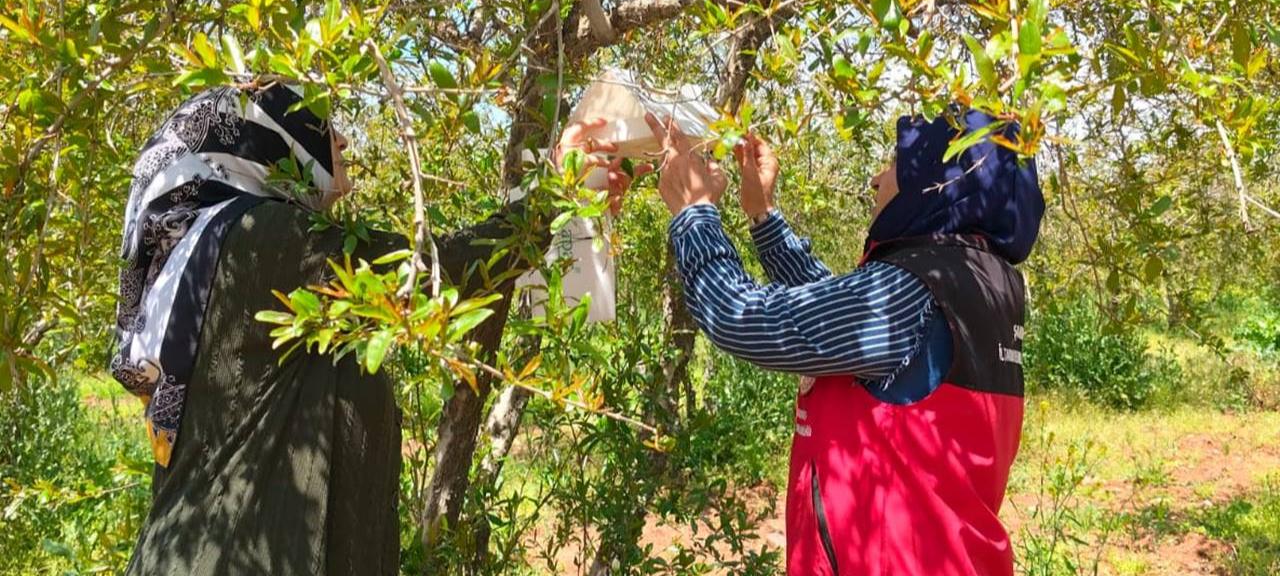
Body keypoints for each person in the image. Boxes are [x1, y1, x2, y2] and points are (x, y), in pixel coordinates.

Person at [112, 80, 639, 575]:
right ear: (270, 140)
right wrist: (555, 187)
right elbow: (439, 274)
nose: (340, 139)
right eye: (319, 126)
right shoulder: (260, 237)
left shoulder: (217, 247)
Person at [647, 108, 1045, 576]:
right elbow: (842, 328)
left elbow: (744, 320)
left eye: (896, 164)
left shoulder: (913, 288)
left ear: (942, 180)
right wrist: (762, 216)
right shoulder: (977, 279)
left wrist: (694, 212)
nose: (877, 180)